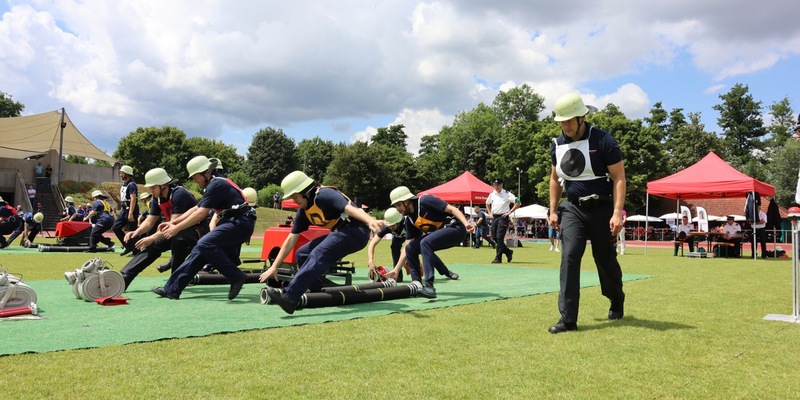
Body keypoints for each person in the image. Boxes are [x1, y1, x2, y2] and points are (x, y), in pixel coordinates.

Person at [547, 93, 627, 334]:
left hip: (602, 209)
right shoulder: (557, 145)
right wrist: (552, 210)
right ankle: (568, 319)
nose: (566, 126)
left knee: (605, 260)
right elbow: (554, 178)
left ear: (582, 117)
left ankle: (616, 299)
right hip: (572, 209)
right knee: (569, 256)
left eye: (570, 120)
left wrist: (616, 212)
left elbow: (619, 178)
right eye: (562, 121)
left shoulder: (604, 141)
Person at [260, 171, 385, 314]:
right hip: (339, 232)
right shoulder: (304, 212)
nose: (295, 202)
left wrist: (370, 221)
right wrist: (275, 266)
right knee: (302, 253)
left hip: (356, 231)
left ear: (305, 192)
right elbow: (290, 240)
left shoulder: (325, 195)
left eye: (295, 197)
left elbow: (350, 208)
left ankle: (290, 297)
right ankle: (316, 290)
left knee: (318, 253)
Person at [152, 156, 255, 301]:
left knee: (204, 244)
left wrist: (176, 228)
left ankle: (236, 276)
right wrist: (173, 223)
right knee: (199, 251)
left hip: (241, 222)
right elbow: (197, 207)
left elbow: (201, 214)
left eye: (195, 176)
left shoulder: (216, 185)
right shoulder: (215, 183)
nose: (194, 180)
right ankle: (172, 289)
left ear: (206, 173)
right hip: (234, 222)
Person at [120, 168, 204, 289]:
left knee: (178, 240)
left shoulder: (179, 194)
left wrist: (152, 237)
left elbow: (174, 223)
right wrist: (136, 232)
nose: (151, 191)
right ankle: (125, 277)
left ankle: (175, 284)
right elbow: (150, 220)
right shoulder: (157, 198)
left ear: (163, 185)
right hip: (178, 229)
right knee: (154, 245)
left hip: (198, 229)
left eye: (153, 187)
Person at [383, 186, 472, 298]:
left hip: (456, 230)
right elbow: (407, 246)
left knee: (425, 242)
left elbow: (453, 209)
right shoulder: (410, 220)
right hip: (443, 235)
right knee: (410, 248)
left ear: (406, 200)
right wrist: (396, 270)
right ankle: (417, 285)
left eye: (398, 205)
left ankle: (429, 285)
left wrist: (465, 223)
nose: (397, 209)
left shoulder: (425, 201)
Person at [366, 208, 407, 282]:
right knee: (394, 247)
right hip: (398, 237)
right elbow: (372, 244)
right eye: (389, 225)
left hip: (413, 237)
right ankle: (398, 275)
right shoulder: (387, 227)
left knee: (414, 250)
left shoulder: (407, 223)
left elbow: (410, 244)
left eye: (392, 225)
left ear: (398, 222)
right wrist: (370, 262)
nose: (390, 228)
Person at [486, 178, 520, 264]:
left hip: (503, 217)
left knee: (499, 238)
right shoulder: (492, 194)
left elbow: (518, 201)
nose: (496, 187)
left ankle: (498, 258)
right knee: (494, 237)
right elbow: (487, 203)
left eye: (498, 185)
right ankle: (508, 252)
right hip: (495, 217)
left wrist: (510, 212)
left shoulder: (507, 194)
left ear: (501, 185)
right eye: (495, 185)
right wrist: (489, 212)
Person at [114, 165, 140, 256]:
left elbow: (133, 199)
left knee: (133, 230)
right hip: (124, 209)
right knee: (116, 227)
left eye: (122, 173)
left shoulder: (132, 184)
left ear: (127, 174)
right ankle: (127, 246)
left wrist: (130, 213)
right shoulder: (125, 183)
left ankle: (136, 251)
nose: (120, 175)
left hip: (131, 209)